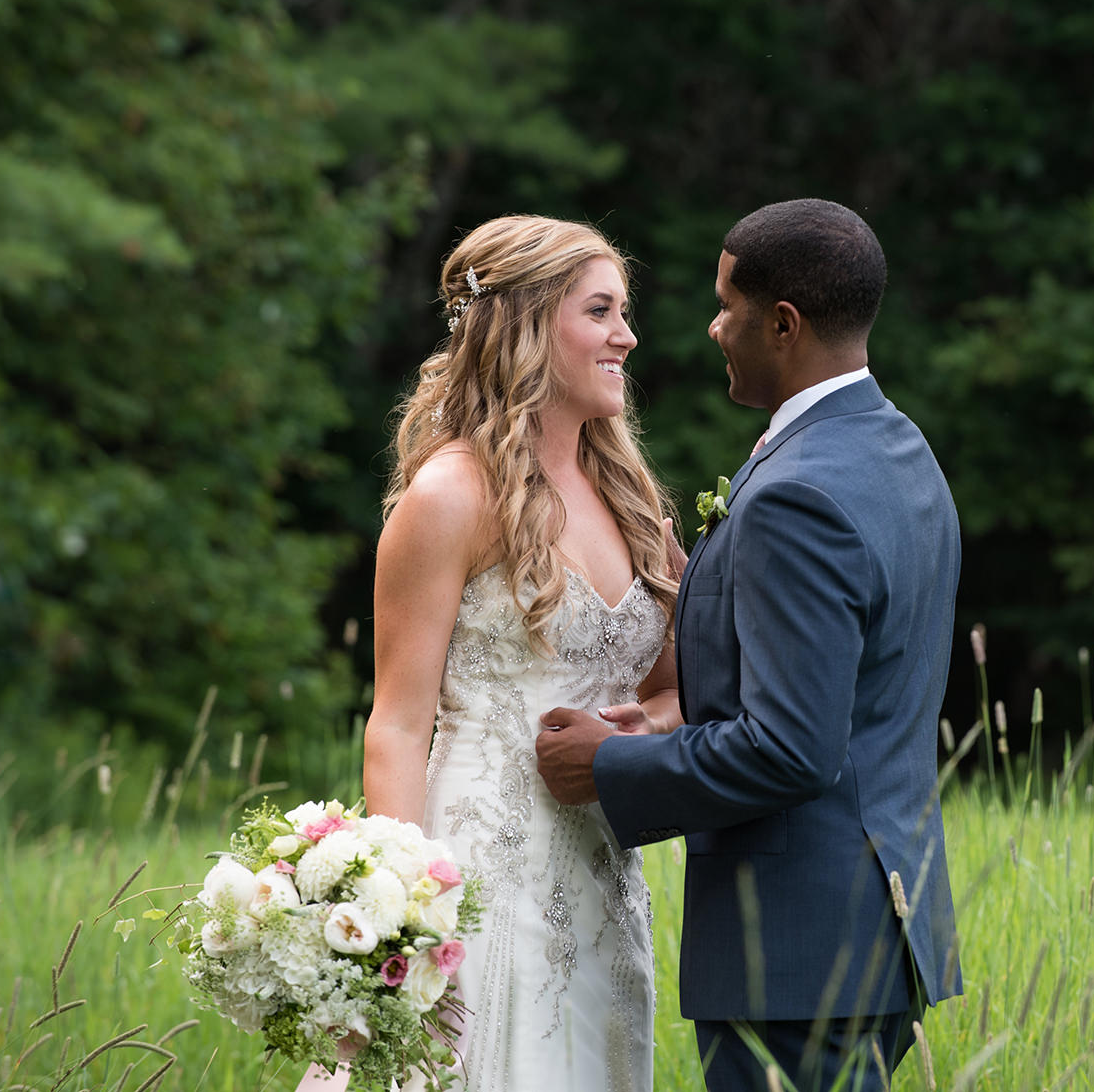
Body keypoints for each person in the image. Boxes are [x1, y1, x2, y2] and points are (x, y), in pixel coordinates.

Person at [536, 199, 963, 1092]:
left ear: (784, 324)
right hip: (872, 928)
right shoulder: (894, 449)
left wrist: (610, 764)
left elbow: (792, 749)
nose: (711, 326)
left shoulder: (794, 495)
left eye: (728, 305)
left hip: (798, 956)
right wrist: (705, 589)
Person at [301, 215, 682, 1092]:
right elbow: (396, 725)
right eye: (601, 311)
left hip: (601, 876)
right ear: (528, 323)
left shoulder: (631, 500)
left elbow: (673, 693)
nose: (627, 335)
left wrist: (636, 730)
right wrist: (410, 921)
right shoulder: (447, 496)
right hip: (475, 870)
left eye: (624, 311)